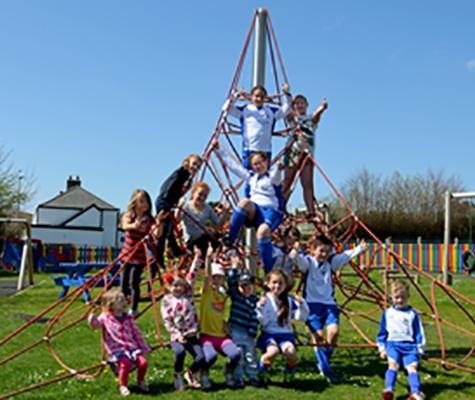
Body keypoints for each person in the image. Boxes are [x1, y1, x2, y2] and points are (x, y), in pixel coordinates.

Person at [289, 235, 367, 383]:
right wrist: (294, 255)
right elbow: (299, 261)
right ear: (312, 250)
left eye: (327, 251)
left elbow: (345, 256)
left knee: (334, 332)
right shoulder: (309, 263)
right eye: (321, 251)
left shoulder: (331, 262)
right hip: (312, 305)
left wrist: (360, 249)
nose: (324, 254)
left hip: (329, 304)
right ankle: (326, 369)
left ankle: (323, 359)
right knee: (318, 336)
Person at [215, 141, 284, 273]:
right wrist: (219, 150)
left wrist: (280, 169)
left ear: (266, 162)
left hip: (270, 211)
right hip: (255, 210)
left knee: (262, 232)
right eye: (255, 164)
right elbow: (233, 167)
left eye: (260, 162)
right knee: (243, 202)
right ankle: (231, 239)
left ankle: (268, 269)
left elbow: (276, 178)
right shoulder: (252, 177)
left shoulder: (271, 176)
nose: (258, 166)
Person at [88, 288, 150, 397]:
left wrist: (143, 346)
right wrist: (92, 319)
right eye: (120, 300)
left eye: (123, 299)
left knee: (143, 363)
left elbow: (136, 333)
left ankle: (141, 381)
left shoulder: (128, 317)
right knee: (126, 363)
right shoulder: (105, 317)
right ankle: (123, 386)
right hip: (117, 349)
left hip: (132, 347)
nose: (124, 302)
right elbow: (96, 325)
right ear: (111, 304)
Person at [160, 247, 205, 391]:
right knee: (179, 353)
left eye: (180, 285)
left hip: (191, 334)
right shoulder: (167, 300)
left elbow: (192, 275)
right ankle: (177, 374)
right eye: (175, 285)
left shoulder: (188, 294)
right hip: (177, 336)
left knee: (201, 358)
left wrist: (197, 259)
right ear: (169, 286)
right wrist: (177, 335)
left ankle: (190, 374)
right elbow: (167, 320)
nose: (178, 288)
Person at [256, 269, 309, 384]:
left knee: (291, 352)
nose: (277, 286)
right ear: (268, 284)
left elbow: (301, 317)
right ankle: (262, 369)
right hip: (269, 334)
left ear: (285, 285)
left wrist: (302, 305)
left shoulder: (289, 301)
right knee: (272, 352)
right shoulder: (265, 300)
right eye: (274, 282)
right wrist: (260, 308)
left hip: (285, 334)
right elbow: (263, 322)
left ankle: (289, 372)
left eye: (281, 283)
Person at [199, 245, 241, 389]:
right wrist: (208, 258)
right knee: (211, 357)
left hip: (222, 335)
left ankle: (228, 371)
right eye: (214, 277)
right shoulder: (206, 293)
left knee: (235, 354)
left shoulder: (223, 294)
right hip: (207, 335)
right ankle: (204, 374)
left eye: (220, 277)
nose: (216, 280)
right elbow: (206, 277)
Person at [377, 280, 426, 400]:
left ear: (408, 297)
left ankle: (415, 392)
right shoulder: (388, 313)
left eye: (403, 297)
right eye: (397, 297)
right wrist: (382, 348)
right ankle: (389, 389)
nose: (400, 300)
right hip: (393, 345)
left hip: (410, 347)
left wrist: (420, 349)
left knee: (412, 368)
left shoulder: (412, 314)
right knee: (392, 365)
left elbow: (419, 332)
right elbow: (382, 332)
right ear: (391, 297)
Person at [223, 84, 292, 169]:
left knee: (264, 179)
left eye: (262, 97)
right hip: (249, 149)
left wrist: (286, 93)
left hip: (265, 151)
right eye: (256, 96)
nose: (259, 99)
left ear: (265, 98)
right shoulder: (245, 109)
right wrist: (236, 96)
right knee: (248, 177)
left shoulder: (270, 111)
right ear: (251, 97)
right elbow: (226, 107)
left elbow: (288, 108)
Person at [155, 154, 202, 271]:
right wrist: (170, 204)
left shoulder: (185, 176)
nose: (196, 167)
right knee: (164, 231)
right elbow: (167, 188)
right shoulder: (180, 174)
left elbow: (176, 192)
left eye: (198, 166)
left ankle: (174, 250)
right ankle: (160, 257)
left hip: (167, 202)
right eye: (194, 164)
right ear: (186, 163)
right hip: (164, 202)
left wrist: (183, 192)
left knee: (169, 230)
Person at [283, 96, 328, 216]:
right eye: (297, 104)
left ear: (307, 105)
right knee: (288, 180)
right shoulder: (293, 118)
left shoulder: (310, 119)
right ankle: (281, 205)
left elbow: (316, 116)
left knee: (307, 183)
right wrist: (287, 95)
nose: (300, 105)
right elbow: (288, 114)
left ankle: (310, 210)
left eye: (302, 103)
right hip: (293, 152)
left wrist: (322, 108)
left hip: (307, 154)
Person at [119, 189, 156, 316]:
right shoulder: (129, 215)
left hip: (139, 257)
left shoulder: (149, 219)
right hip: (127, 255)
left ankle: (133, 309)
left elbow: (156, 233)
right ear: (134, 202)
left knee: (134, 282)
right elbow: (124, 226)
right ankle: (121, 307)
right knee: (123, 283)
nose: (144, 204)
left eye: (146, 201)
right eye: (141, 201)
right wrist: (133, 225)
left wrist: (159, 226)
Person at [227, 254, 261, 388]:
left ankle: (252, 375)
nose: (246, 289)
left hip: (249, 332)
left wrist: (253, 331)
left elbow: (256, 316)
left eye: (249, 286)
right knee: (239, 355)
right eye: (243, 287)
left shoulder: (255, 300)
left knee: (251, 355)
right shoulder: (236, 297)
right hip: (236, 329)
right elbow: (231, 280)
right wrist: (234, 268)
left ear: (253, 287)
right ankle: (238, 377)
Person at [177, 181, 229, 257]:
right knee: (206, 238)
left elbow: (219, 223)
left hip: (204, 238)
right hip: (191, 240)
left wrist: (225, 212)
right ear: (193, 193)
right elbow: (177, 219)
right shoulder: (186, 206)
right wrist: (179, 208)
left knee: (222, 238)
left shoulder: (207, 208)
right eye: (200, 194)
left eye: (205, 196)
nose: (202, 198)